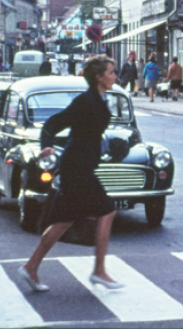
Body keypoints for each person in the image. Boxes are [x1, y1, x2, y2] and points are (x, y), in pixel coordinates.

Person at [18, 55, 123, 292]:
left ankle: (31, 267)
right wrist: (46, 144)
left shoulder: (100, 99)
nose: (115, 76)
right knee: (107, 210)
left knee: (63, 222)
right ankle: (99, 271)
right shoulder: (85, 101)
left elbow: (91, 133)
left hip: (81, 165)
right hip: (77, 167)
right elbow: (54, 123)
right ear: (99, 77)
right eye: (111, 72)